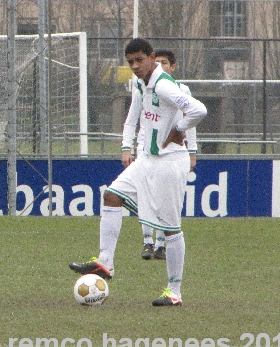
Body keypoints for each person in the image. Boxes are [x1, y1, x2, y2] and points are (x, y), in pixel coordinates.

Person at [69, 38, 207, 306]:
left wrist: (179, 131)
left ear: (152, 57)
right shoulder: (141, 84)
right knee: (112, 195)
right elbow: (136, 119)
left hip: (169, 163)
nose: (134, 66)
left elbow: (198, 109)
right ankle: (105, 262)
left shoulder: (164, 84)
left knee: (170, 229)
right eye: (130, 62)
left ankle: (174, 291)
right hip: (147, 160)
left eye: (139, 60)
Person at [121, 49, 198, 261]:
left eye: (166, 63)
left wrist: (192, 151)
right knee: (144, 194)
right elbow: (132, 119)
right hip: (145, 149)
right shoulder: (141, 86)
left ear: (172, 67)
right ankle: (147, 241)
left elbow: (192, 120)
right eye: (160, 62)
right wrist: (126, 147)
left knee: (166, 204)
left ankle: (162, 245)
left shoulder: (179, 90)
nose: (161, 66)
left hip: (171, 154)